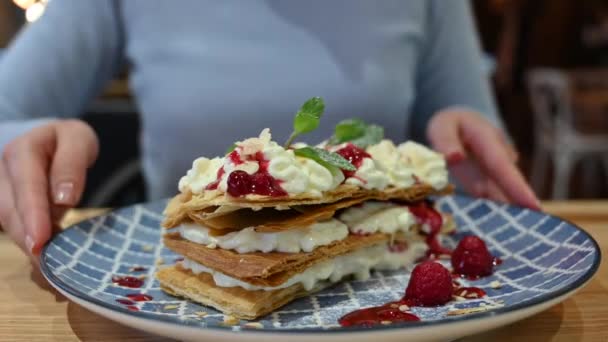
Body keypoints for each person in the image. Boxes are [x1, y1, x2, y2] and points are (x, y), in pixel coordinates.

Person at [0, 0, 539, 261]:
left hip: (379, 284)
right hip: (172, 304)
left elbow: (464, 125)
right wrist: (22, 141)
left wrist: (458, 135)